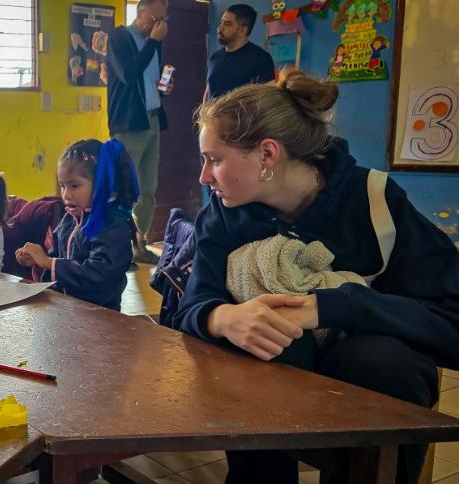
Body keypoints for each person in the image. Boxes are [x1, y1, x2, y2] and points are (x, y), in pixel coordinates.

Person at [173, 70, 459, 483]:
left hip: (370, 378)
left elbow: (449, 318)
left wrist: (333, 305)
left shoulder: (375, 200)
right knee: (264, 353)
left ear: (267, 154)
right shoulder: (223, 212)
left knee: (384, 364)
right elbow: (192, 307)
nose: (204, 176)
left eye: (214, 160)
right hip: (271, 392)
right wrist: (221, 317)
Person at [16, 139, 138, 311]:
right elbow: (55, 257)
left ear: (102, 184)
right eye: (62, 186)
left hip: (101, 317)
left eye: (74, 185)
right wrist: (37, 261)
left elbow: (99, 275)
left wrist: (49, 263)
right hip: (68, 311)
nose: (66, 194)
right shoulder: (69, 219)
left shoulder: (112, 225)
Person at [107, 0, 171, 263]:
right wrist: (154, 42)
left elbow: (147, 80)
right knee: (125, 188)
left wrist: (163, 87)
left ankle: (139, 244)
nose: (160, 25)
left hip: (152, 119)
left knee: (148, 187)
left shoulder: (154, 42)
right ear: (140, 12)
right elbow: (129, 74)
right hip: (129, 123)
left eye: (163, 19)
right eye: (155, 18)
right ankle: (118, 246)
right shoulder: (119, 37)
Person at [204, 4, 276, 101]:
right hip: (211, 116)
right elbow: (208, 92)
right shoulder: (214, 58)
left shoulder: (261, 59)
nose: (219, 29)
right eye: (221, 22)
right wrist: (202, 115)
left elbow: (267, 100)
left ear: (242, 30)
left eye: (227, 24)